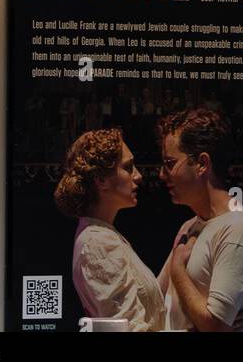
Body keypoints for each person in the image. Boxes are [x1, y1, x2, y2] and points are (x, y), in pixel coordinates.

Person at [158, 108, 243, 332]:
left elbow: (215, 325)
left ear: (202, 164)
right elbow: (158, 300)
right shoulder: (190, 226)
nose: (161, 174)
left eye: (169, 163)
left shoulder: (238, 230)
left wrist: (178, 270)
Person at [54, 127, 166, 332]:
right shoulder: (98, 242)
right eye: (128, 167)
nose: (138, 176)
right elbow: (131, 328)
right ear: (101, 180)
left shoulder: (103, 235)